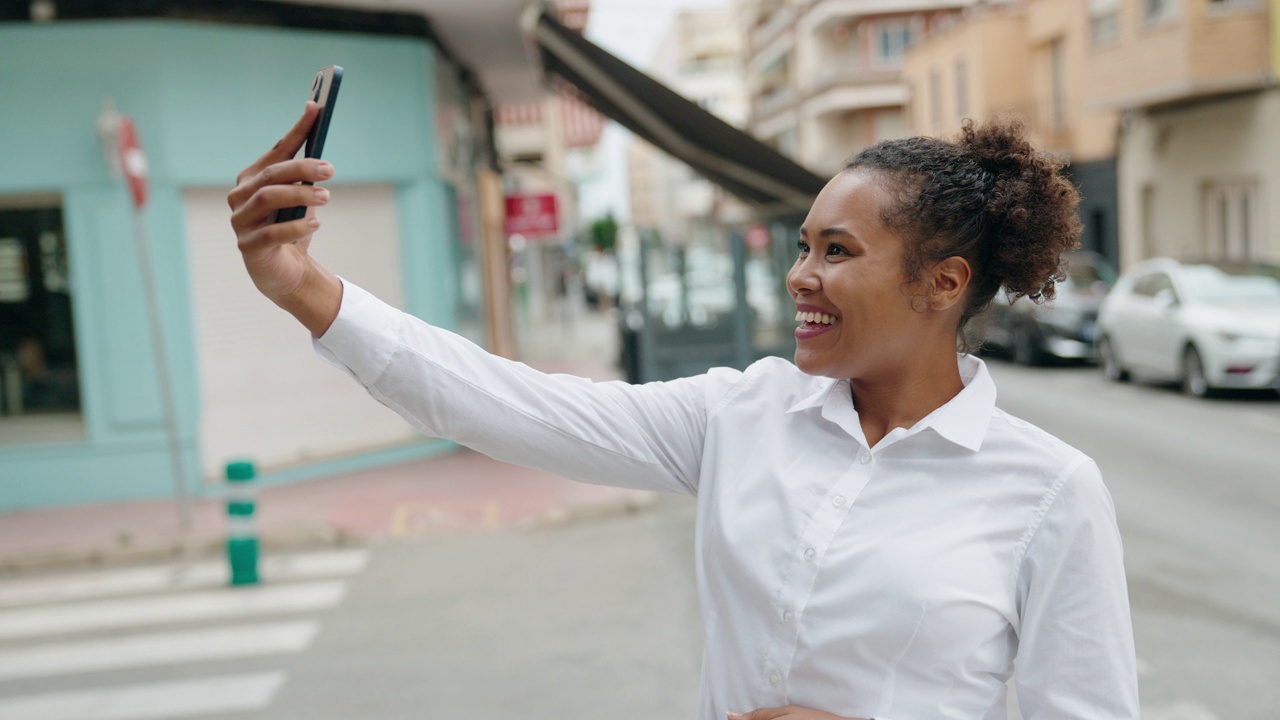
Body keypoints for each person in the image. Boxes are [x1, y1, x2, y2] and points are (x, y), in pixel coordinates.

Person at [228, 103, 1139, 720]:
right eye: (802, 245)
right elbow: (507, 404)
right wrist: (305, 287)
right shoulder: (741, 415)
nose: (800, 276)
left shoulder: (1048, 491)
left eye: (837, 250)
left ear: (943, 284)